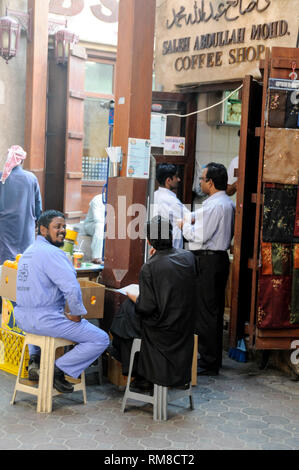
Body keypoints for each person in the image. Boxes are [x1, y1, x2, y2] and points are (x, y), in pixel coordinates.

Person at [14, 210, 109, 393]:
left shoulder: (28, 252)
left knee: (41, 323)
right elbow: (71, 288)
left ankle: (35, 360)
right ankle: (57, 370)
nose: (62, 230)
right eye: (57, 227)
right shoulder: (53, 254)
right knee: (100, 339)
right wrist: (76, 313)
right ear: (43, 230)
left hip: (24, 320)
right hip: (46, 321)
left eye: (64, 226)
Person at [109, 215, 198, 391]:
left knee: (125, 315)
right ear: (171, 236)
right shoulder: (188, 258)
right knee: (126, 315)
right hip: (185, 324)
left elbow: (146, 308)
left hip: (162, 330)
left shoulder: (150, 267)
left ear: (149, 241)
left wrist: (134, 296)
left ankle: (138, 374)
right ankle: (136, 371)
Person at [179, 162, 235, 376]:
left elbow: (200, 236)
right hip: (217, 260)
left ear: (210, 182)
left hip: (209, 260)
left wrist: (185, 226)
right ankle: (212, 358)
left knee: (206, 312)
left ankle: (208, 361)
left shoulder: (214, 205)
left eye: (202, 179)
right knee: (213, 310)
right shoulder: (225, 202)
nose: (200, 182)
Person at [0, 145, 42, 265]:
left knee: (5, 266)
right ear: (22, 160)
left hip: (5, 230)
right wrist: (37, 222)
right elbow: (38, 206)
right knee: (24, 264)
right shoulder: (31, 178)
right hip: (26, 227)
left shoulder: (2, 177)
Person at [153, 164, 191, 249]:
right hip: (171, 249)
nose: (179, 179)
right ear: (168, 180)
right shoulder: (170, 200)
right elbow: (190, 218)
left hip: (157, 248)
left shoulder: (154, 196)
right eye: (176, 177)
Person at [83, 194, 105, 264]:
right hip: (91, 225)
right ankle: (96, 257)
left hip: (108, 226)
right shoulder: (98, 199)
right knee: (100, 226)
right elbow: (98, 220)